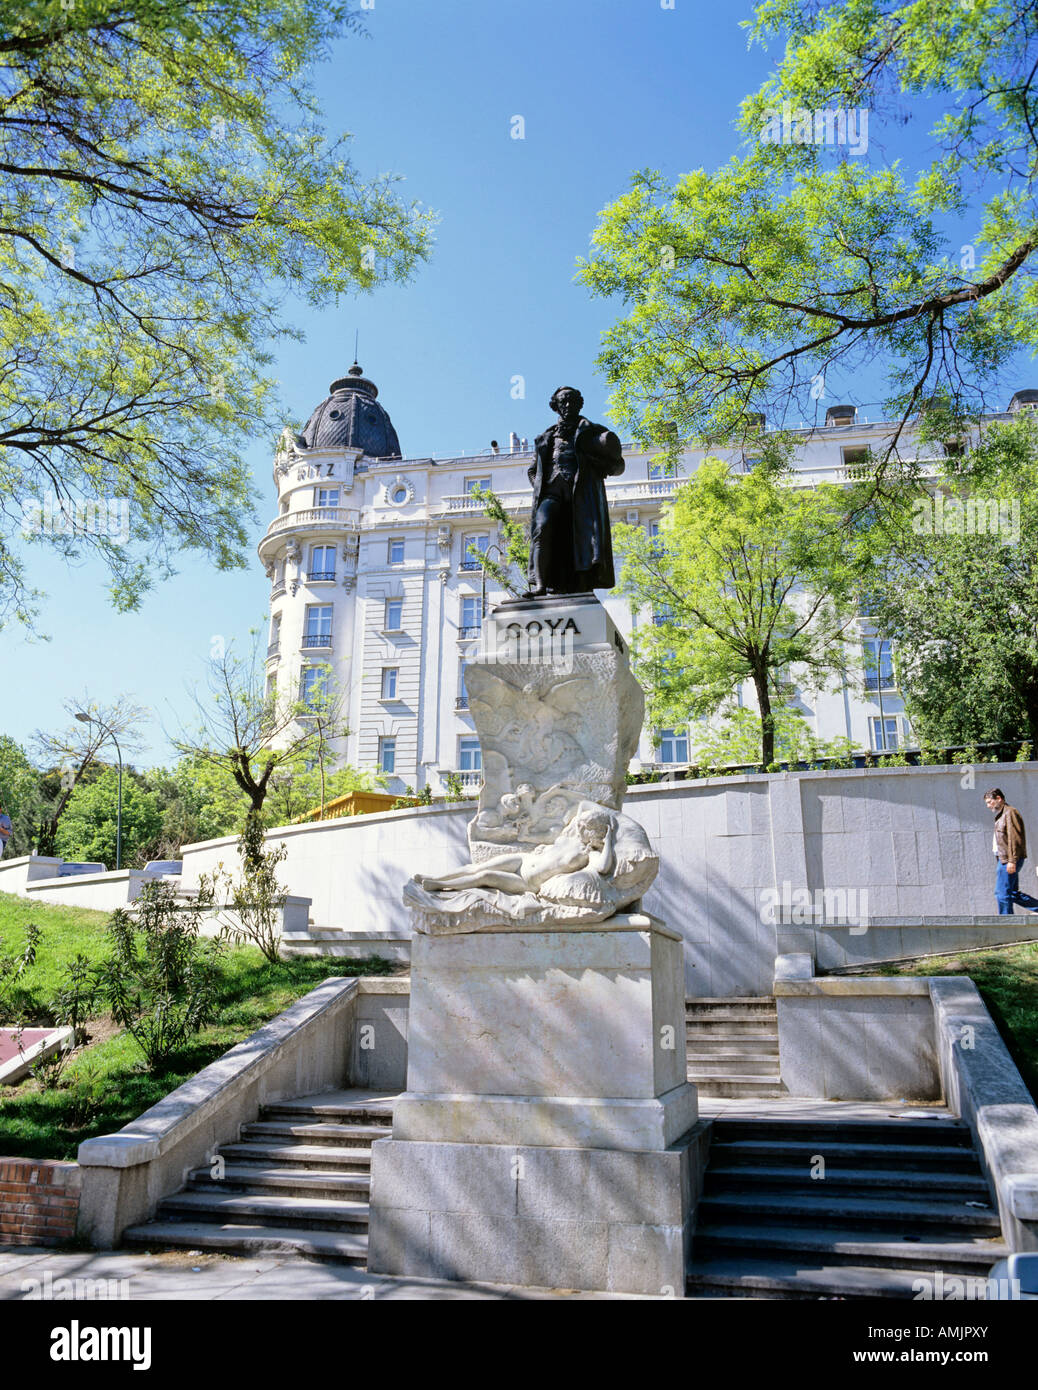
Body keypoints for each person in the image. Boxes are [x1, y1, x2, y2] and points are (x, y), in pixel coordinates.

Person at [525, 386, 625, 596]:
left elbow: (618, 466)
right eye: (563, 401)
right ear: (556, 406)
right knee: (542, 528)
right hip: (552, 493)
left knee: (579, 540)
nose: (568, 405)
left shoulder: (594, 431)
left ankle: (582, 586)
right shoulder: (545, 437)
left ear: (579, 404)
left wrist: (597, 464)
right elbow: (533, 470)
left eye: (572, 401)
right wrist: (540, 486)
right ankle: (541, 585)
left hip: (582, 495)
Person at [983, 787, 1038, 914]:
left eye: (989, 802)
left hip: (1008, 859)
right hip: (1005, 859)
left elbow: (1014, 837)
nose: (988, 806)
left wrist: (1011, 861)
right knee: (1012, 893)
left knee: (1001, 894)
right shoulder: (1002, 815)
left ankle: (1007, 923)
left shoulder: (1010, 813)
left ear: (999, 799)